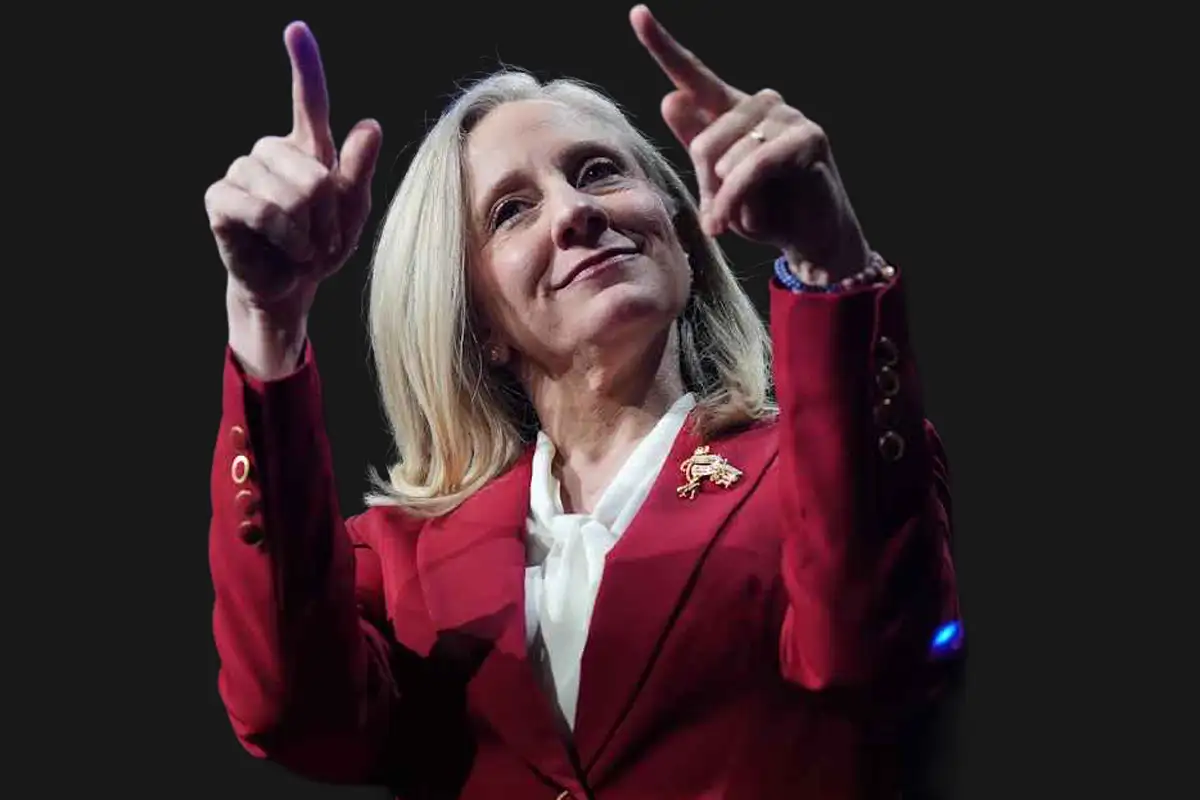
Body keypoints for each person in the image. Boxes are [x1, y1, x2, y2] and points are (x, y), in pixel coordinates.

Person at [204, 6, 963, 798]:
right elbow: (295, 714)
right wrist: (266, 315)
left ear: (682, 234)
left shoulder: (813, 479)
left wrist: (828, 256)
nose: (575, 212)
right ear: (477, 320)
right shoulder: (397, 563)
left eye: (598, 171)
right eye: (511, 210)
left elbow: (876, 648)